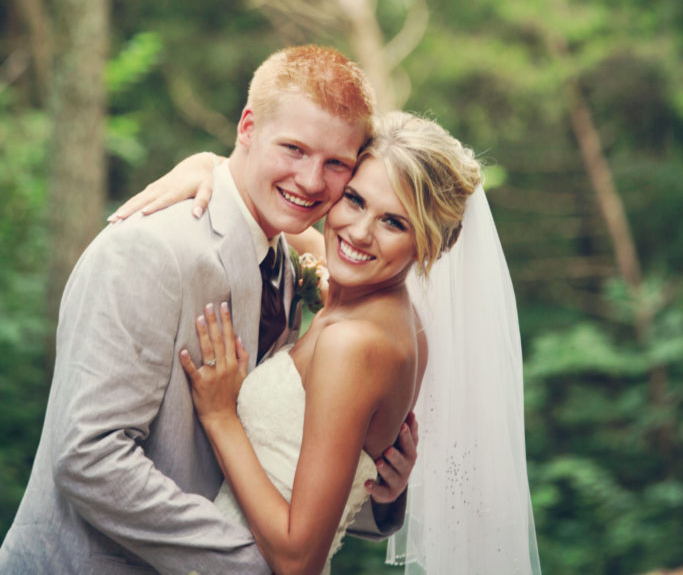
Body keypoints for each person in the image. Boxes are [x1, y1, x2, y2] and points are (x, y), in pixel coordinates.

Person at [0, 46, 415, 575]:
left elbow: (276, 461)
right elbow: (89, 458)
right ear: (247, 127)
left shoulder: (292, 262)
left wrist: (378, 490)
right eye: (293, 148)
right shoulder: (151, 250)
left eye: (336, 163)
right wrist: (256, 564)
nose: (311, 181)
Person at [116, 113, 542, 575]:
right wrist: (207, 167)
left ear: (429, 247)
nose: (359, 232)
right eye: (355, 199)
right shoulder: (374, 300)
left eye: (394, 223)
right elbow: (276, 208)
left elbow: (299, 558)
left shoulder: (354, 344)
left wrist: (221, 418)